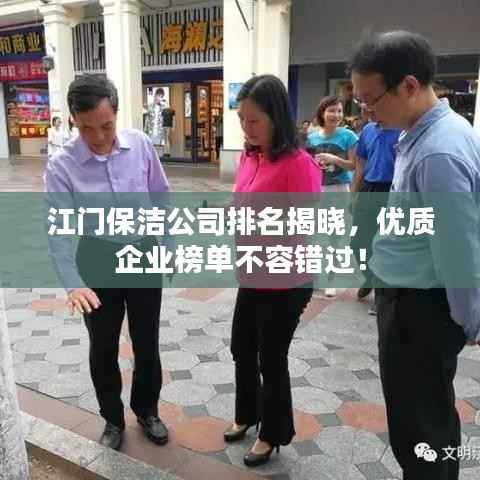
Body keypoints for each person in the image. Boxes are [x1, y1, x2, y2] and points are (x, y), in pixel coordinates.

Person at [349, 31, 480, 480]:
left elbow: (458, 250)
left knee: (421, 426)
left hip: (420, 311)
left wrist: (468, 319)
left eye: (371, 100)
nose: (368, 112)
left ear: (408, 85)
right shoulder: (422, 133)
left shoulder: (438, 152)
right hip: (410, 302)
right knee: (427, 416)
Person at [44, 75, 170, 451]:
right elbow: (57, 231)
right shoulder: (62, 165)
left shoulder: (140, 145)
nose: (98, 137)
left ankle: (147, 410)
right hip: (97, 259)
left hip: (143, 252)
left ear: (116, 113)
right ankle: (112, 419)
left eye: (106, 125)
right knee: (103, 346)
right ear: (73, 120)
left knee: (147, 340)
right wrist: (73, 283)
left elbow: (161, 197)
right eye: (86, 128)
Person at [224, 74, 320, 467]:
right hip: (253, 272)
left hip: (286, 279)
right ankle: (247, 414)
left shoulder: (299, 164)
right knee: (242, 347)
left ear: (276, 117)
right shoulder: (250, 156)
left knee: (271, 357)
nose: (246, 129)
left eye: (254, 121)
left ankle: (272, 433)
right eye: (241, 120)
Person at [306, 96, 358, 297]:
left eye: (339, 111)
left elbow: (353, 165)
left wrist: (334, 159)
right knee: (312, 235)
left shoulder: (348, 136)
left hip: (338, 189)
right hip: (316, 190)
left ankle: (331, 278)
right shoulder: (311, 137)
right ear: (322, 112)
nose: (336, 115)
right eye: (332, 111)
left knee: (334, 235)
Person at [350, 116, 400, 314]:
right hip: (368, 189)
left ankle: (382, 294)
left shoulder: (403, 130)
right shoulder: (368, 130)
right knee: (357, 242)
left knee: (384, 245)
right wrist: (354, 194)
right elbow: (361, 163)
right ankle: (370, 277)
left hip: (392, 191)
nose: (368, 108)